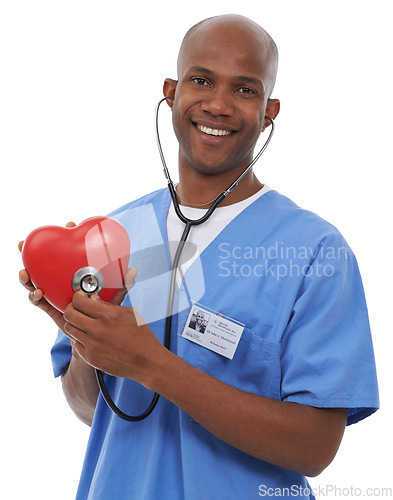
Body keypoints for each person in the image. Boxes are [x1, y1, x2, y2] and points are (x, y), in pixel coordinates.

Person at [19, 14, 379, 500]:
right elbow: (91, 410)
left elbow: (315, 447)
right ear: (171, 91)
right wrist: (86, 340)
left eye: (245, 90)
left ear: (270, 111)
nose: (218, 104)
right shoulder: (123, 232)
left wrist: (152, 364)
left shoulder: (311, 250)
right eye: (201, 80)